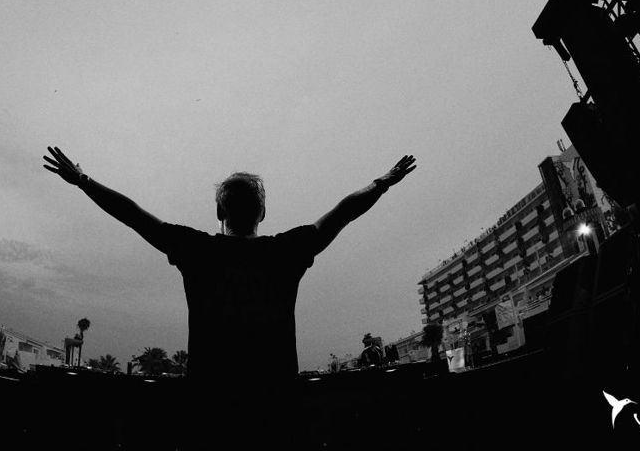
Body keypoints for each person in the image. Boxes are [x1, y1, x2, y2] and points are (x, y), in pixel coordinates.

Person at [43, 146, 416, 449]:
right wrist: (382, 182)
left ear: (219, 210)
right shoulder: (289, 250)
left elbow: (132, 215)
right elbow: (345, 212)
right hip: (277, 410)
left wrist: (82, 180)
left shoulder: (196, 249)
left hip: (209, 412)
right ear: (263, 213)